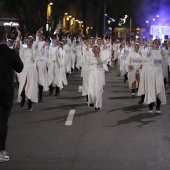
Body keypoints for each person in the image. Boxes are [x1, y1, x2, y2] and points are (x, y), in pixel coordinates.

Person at [0, 26, 23, 162]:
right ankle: (1, 151)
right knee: (2, 122)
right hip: (6, 91)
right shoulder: (10, 53)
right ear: (5, 37)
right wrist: (16, 52)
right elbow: (19, 68)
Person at [16, 27, 39, 111]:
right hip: (24, 68)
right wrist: (18, 35)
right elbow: (18, 45)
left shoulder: (33, 50)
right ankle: (23, 99)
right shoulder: (24, 49)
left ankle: (30, 104)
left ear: (32, 42)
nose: (28, 42)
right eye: (27, 40)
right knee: (22, 84)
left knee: (30, 86)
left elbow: (36, 45)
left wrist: (37, 36)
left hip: (31, 69)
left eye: (29, 41)